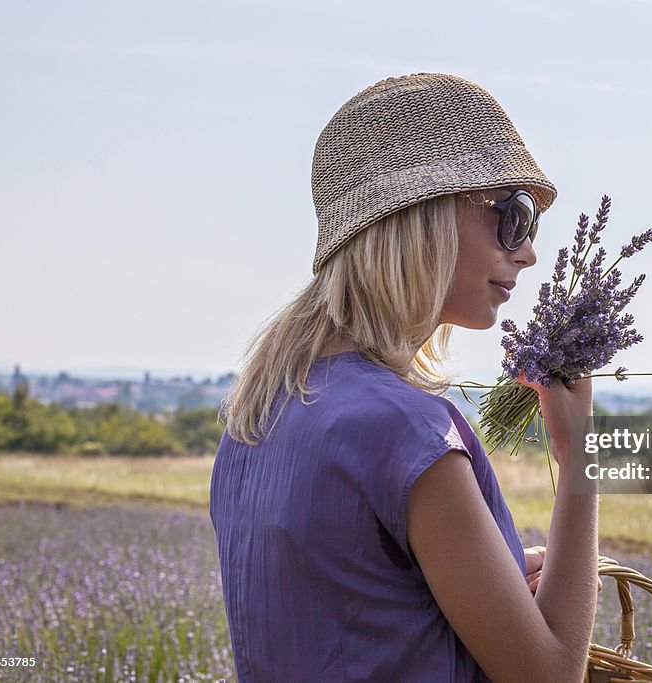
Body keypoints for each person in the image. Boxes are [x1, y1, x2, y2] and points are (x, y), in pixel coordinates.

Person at [209, 72, 599, 683]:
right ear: (427, 216)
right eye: (513, 216)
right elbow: (548, 677)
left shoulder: (256, 419)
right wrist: (577, 455)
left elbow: (342, 615)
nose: (527, 253)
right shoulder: (410, 432)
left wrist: (476, 579)